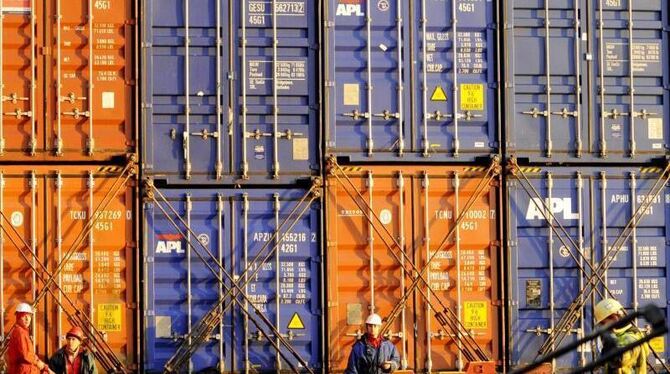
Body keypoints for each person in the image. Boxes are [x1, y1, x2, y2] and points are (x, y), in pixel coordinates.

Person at [595, 298, 649, 374]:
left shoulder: (631, 337)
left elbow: (619, 359)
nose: (602, 327)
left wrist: (609, 338)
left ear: (615, 317)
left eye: (603, 323)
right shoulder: (619, 336)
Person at [6, 302, 53, 374]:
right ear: (18, 317)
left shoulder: (22, 332)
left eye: (29, 316)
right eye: (24, 316)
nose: (28, 319)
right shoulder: (20, 332)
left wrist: (43, 366)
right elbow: (26, 354)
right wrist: (38, 363)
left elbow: (29, 354)